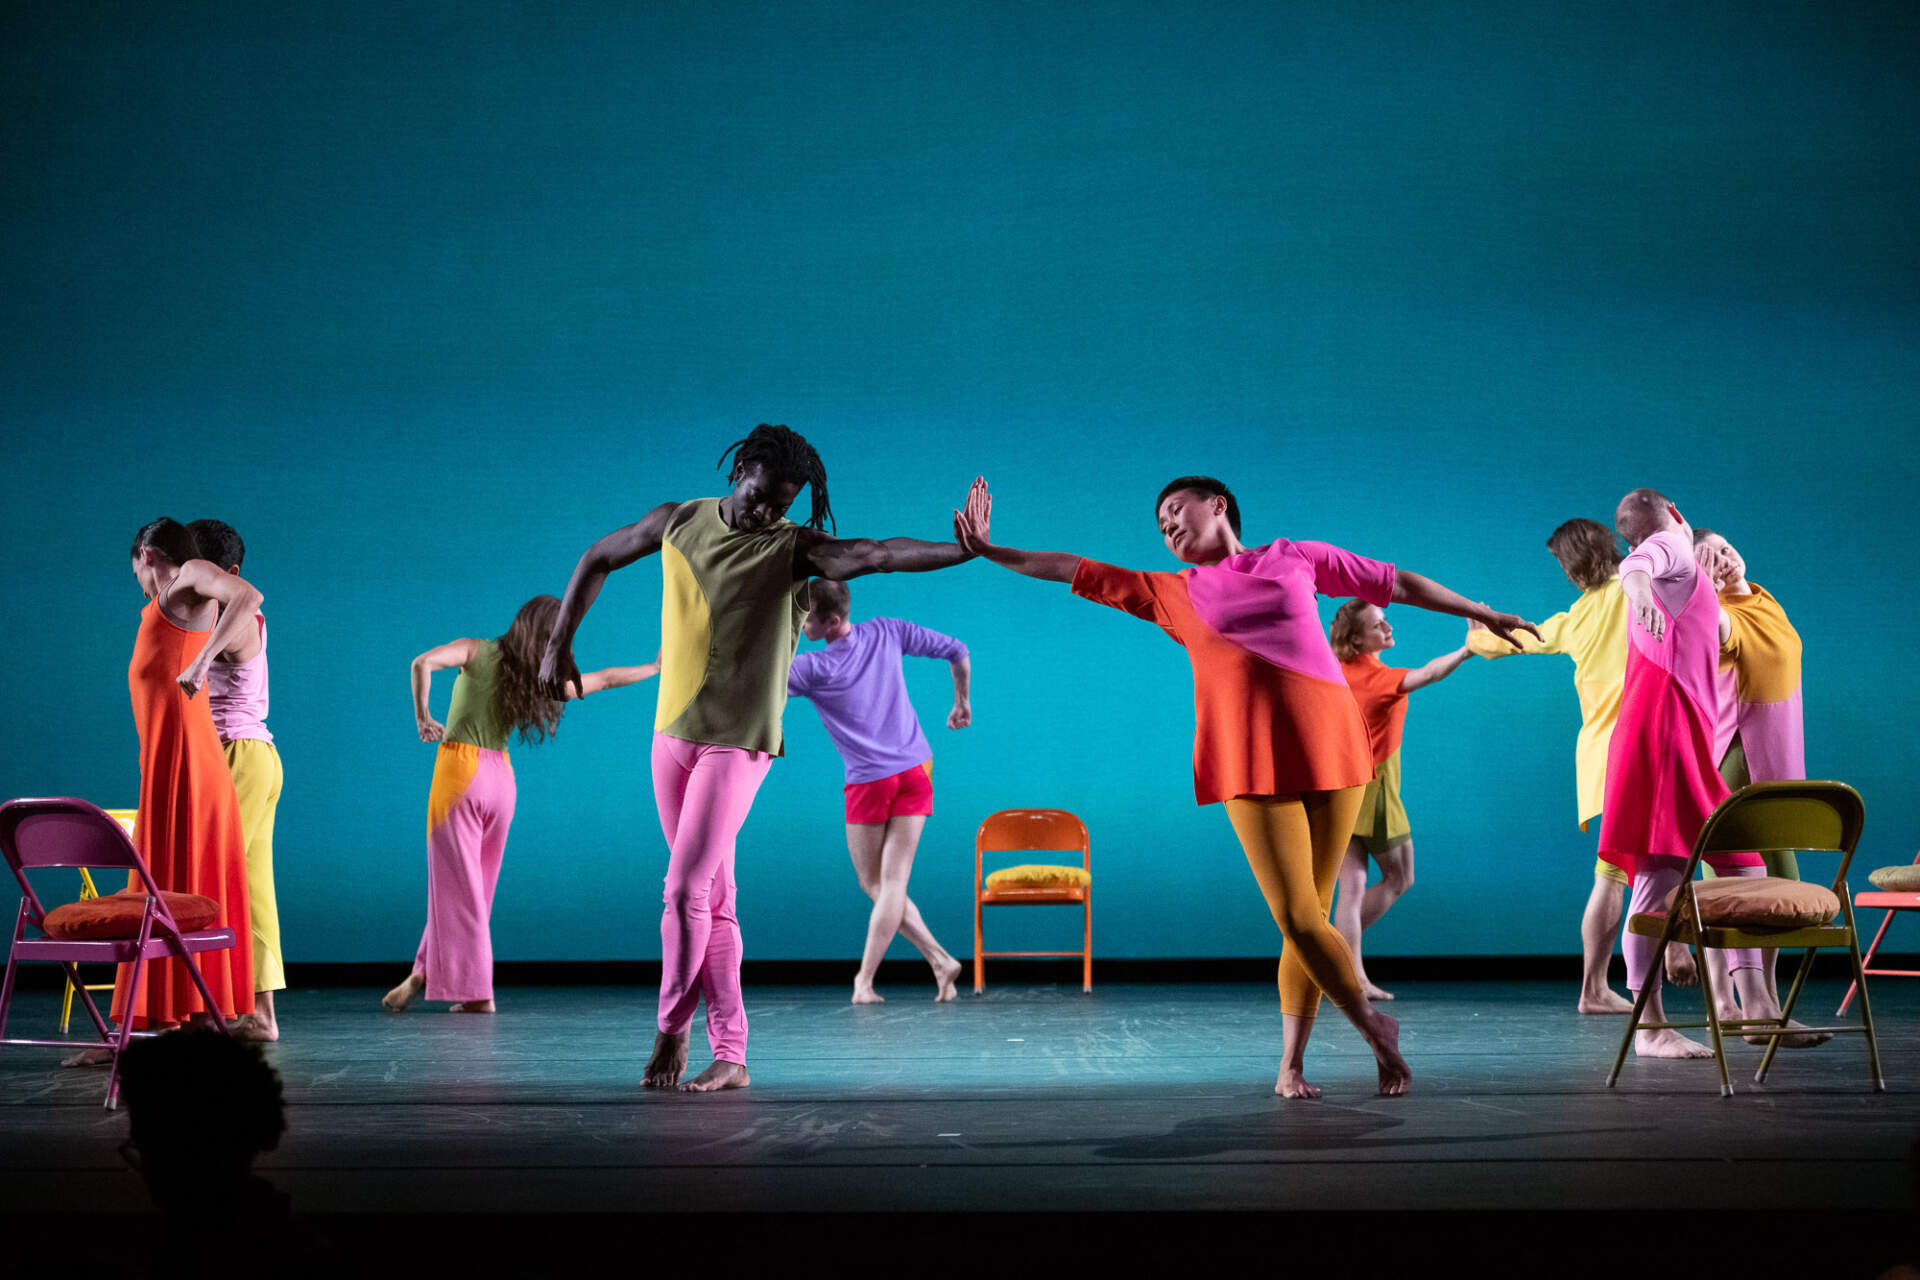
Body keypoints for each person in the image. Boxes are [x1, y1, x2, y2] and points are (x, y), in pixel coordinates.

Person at [952, 475, 1540, 1098]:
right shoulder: (1170, 590)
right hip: (1247, 758)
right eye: (1161, 526)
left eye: (1176, 511)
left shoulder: (1295, 557)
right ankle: (1373, 1025)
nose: (1169, 527)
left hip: (1333, 746)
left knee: (1311, 915)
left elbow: (1397, 583)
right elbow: (1074, 568)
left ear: (1219, 505)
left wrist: (1481, 611)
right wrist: (991, 550)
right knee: (1296, 915)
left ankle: (1291, 1065)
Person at [537, 424, 974, 1092]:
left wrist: (961, 550)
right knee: (713, 898)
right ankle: (733, 1055)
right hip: (671, 738)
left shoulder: (793, 549)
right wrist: (557, 643)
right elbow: (598, 556)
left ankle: (672, 1029)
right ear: (739, 469)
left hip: (738, 745)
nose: (769, 512)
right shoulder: (677, 521)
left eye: (784, 504)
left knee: (683, 891)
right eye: (763, 495)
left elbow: (879, 553)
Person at [1464, 518, 1697, 1014]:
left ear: (1574, 567)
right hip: (1643, 747)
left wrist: (1479, 635)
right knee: (1662, 858)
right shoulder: (1643, 587)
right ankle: (1672, 951)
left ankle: (1595, 987)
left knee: (1613, 871)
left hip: (1599, 760)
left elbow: (1519, 638)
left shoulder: (1576, 618)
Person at [382, 596, 657, 1015]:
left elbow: (421, 663)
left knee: (459, 889)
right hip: (501, 782)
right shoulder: (541, 678)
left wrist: (423, 717)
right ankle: (421, 973)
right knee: (473, 890)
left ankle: (478, 993)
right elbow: (605, 679)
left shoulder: (476, 650)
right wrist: (656, 668)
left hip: (461, 773)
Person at [1599, 489, 1782, 1060]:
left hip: (1684, 735)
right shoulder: (1672, 545)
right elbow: (1638, 564)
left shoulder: (1688, 574)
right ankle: (1651, 1029)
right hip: (1661, 733)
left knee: (1745, 865)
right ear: (1676, 510)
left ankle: (1758, 1011)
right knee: (1656, 880)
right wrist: (1634, 586)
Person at [73, 521, 263, 1063]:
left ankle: (155, 1029)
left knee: (165, 889)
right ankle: (154, 1029)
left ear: (147, 554)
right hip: (167, 768)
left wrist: (202, 662)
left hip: (191, 768)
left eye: (134, 567)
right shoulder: (166, 605)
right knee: (162, 892)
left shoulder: (187, 578)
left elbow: (249, 595)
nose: (136, 578)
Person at [786, 578, 969, 1004]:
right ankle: (941, 961)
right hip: (916, 769)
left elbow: (756, 682)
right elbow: (957, 649)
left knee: (877, 883)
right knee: (894, 883)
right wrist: (962, 703)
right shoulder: (887, 631)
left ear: (830, 621)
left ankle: (864, 981)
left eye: (804, 617)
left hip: (870, 781)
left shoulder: (812, 669)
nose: (799, 623)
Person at [1694, 527, 1826, 1046]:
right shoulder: (1721, 613)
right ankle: (1746, 1007)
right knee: (1740, 890)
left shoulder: (1763, 600)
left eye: (1726, 548)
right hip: (1737, 760)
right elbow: (1715, 628)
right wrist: (1702, 583)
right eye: (1713, 556)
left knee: (1777, 888)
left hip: (1779, 766)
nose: (1726, 559)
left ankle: (1754, 1007)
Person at [1326, 601, 1473, 1001]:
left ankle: (1349, 975)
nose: (1388, 627)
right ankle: (1337, 960)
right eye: (1378, 625)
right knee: (1400, 877)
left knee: (1351, 887)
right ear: (1357, 639)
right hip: (1375, 792)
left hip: (1338, 793)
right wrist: (1467, 649)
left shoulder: (1334, 674)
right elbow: (1428, 673)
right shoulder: (1378, 679)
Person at [186, 519, 286, 1043]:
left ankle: (209, 1007)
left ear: (228, 574)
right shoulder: (224, 618)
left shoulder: (235, 616)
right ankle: (261, 1015)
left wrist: (198, 660)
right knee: (251, 889)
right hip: (255, 755)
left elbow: (245, 601)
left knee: (213, 882)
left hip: (237, 755)